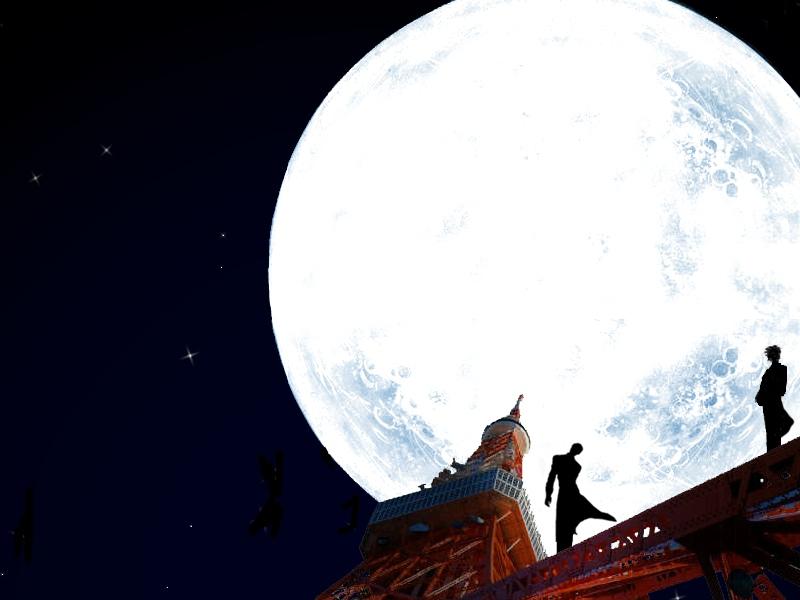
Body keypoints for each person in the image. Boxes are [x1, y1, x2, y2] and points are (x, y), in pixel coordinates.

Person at [545, 443, 616, 552]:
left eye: (578, 450)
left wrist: (548, 495)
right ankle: (563, 549)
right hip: (565, 493)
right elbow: (551, 477)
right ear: (572, 448)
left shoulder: (577, 466)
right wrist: (548, 494)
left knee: (565, 521)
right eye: (576, 449)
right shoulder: (558, 459)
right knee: (563, 523)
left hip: (571, 493)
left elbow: (552, 477)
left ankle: (564, 548)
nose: (576, 451)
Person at [756, 345, 793, 451]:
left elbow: (781, 390)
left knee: (776, 429)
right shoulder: (769, 373)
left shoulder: (777, 370)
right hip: (770, 403)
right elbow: (759, 396)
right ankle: (773, 451)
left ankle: (774, 447)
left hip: (772, 402)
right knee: (773, 430)